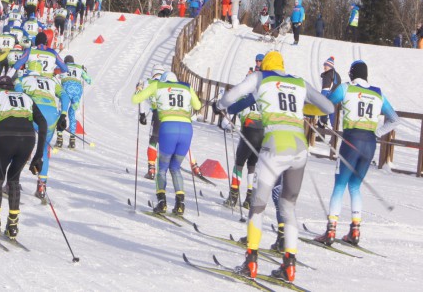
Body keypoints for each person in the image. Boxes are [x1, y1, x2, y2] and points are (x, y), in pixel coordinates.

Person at [215, 51, 334, 283]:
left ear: (265, 65)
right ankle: (289, 266)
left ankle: (250, 261)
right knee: (288, 205)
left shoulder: (260, 78)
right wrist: (302, 108)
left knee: (258, 206)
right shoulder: (299, 82)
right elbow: (328, 107)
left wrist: (219, 104)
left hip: (274, 147)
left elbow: (231, 97)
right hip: (299, 149)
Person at [315, 60, 399, 246]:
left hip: (351, 141)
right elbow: (394, 119)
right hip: (369, 144)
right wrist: (376, 133)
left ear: (352, 74)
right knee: (355, 186)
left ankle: (331, 230)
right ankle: (355, 230)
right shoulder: (378, 93)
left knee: (340, 184)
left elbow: (327, 105)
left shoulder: (346, 88)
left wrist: (320, 117)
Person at [0, 75, 48, 240]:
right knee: (14, 180)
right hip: (27, 139)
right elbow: (43, 123)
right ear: (12, 87)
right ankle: (12, 226)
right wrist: (38, 155)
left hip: (5, 137)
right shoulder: (26, 97)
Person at [132, 71, 202, 215]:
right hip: (186, 131)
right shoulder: (186, 87)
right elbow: (198, 105)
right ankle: (180, 204)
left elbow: (136, 100)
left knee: (162, 167)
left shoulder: (157, 85)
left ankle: (162, 202)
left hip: (168, 129)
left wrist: (138, 90)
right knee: (175, 167)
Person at [15, 70, 68, 200]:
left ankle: (12, 182)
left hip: (33, 113)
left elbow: (17, 94)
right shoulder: (51, 81)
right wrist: (63, 114)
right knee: (44, 149)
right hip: (51, 115)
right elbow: (65, 96)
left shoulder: (23, 79)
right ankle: (41, 187)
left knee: (21, 146)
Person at [223, 56, 265, 209]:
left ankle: (233, 196)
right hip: (263, 131)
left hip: (249, 130)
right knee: (253, 165)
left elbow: (235, 106)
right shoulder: (264, 93)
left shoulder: (246, 94)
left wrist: (226, 120)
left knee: (239, 163)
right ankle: (249, 198)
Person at [136, 65, 165, 179]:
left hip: (157, 115)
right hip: (171, 116)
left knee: (153, 140)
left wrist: (142, 114)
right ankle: (194, 165)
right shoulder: (167, 83)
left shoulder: (149, 82)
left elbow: (141, 98)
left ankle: (151, 169)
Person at [57, 55, 92, 149]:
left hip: (66, 90)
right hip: (77, 91)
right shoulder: (79, 67)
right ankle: (72, 141)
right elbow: (89, 80)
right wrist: (84, 71)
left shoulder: (62, 66)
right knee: (72, 113)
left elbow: (54, 73)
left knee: (61, 112)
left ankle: (59, 138)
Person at [319, 57, 341, 128]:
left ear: (330, 66)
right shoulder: (337, 75)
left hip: (328, 99)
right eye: (324, 65)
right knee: (334, 120)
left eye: (326, 65)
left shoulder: (328, 75)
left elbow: (325, 89)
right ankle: (335, 136)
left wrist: (320, 99)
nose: (324, 66)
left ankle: (321, 134)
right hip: (336, 99)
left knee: (322, 116)